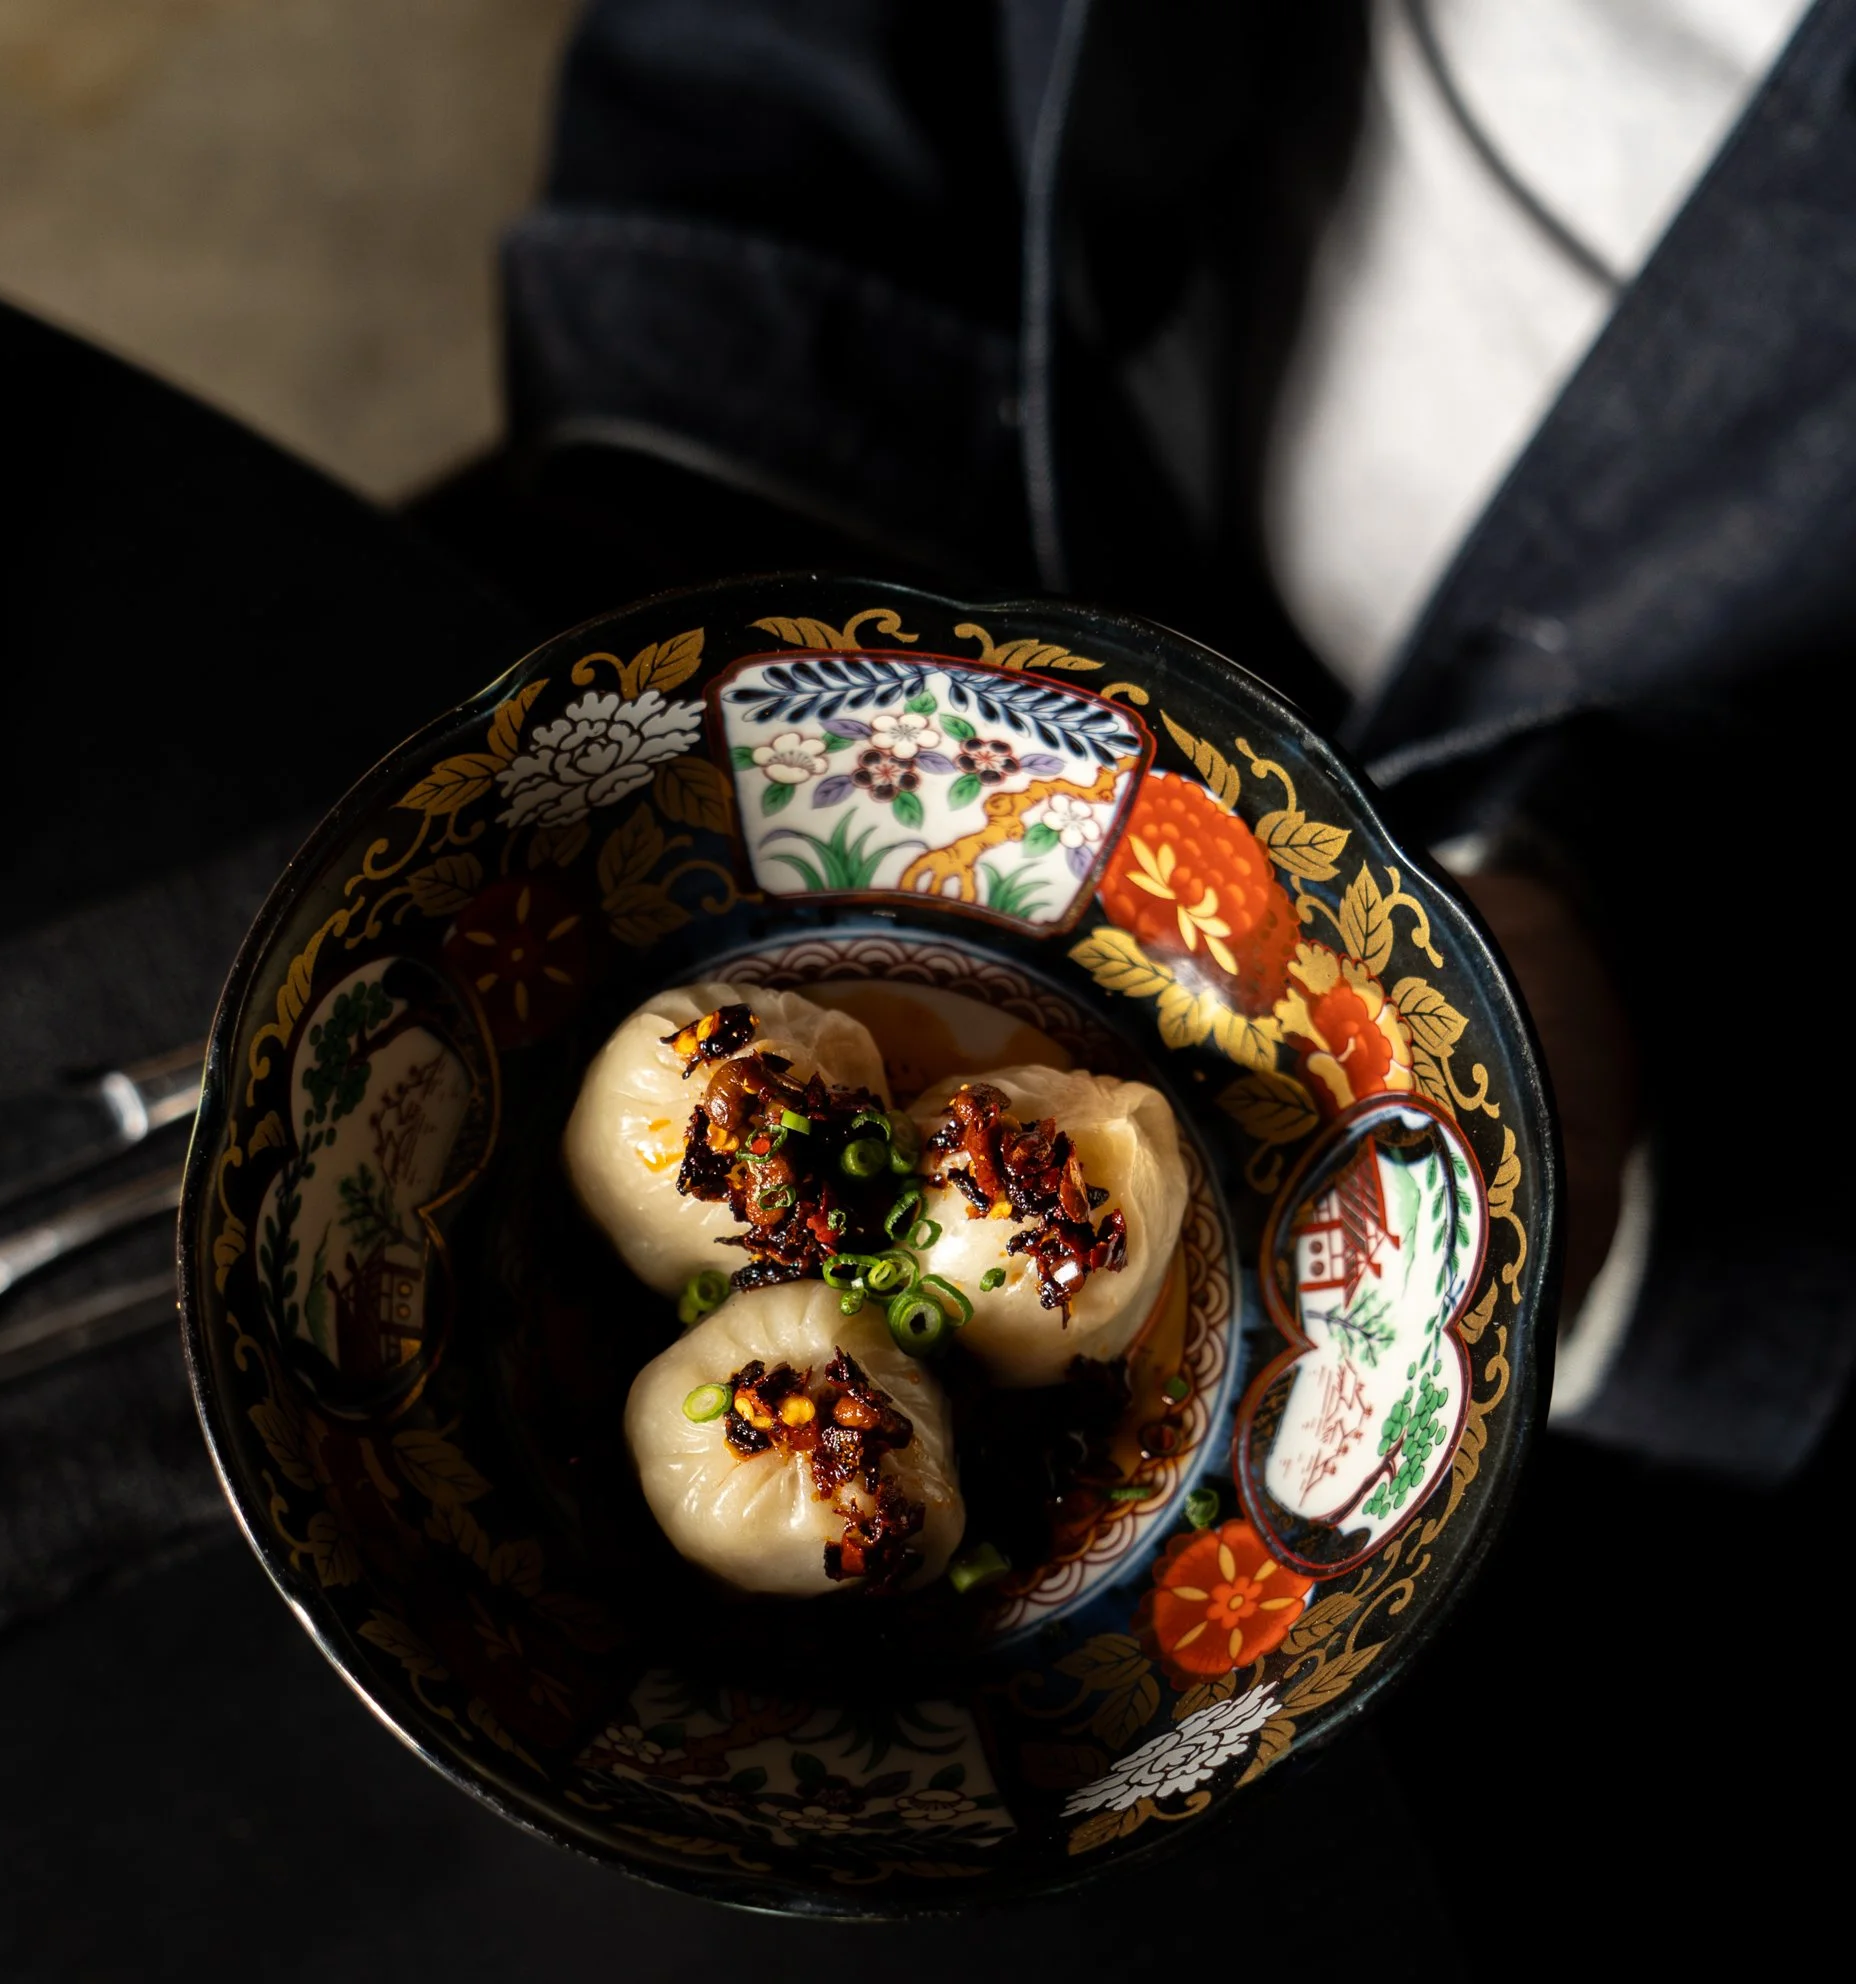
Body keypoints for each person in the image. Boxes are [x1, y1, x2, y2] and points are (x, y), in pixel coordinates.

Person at [479, 0, 1856, 1485]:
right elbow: (777, 77)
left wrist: (1642, 1005)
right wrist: (725, 604)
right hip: (973, 455)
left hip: (1734, 975)